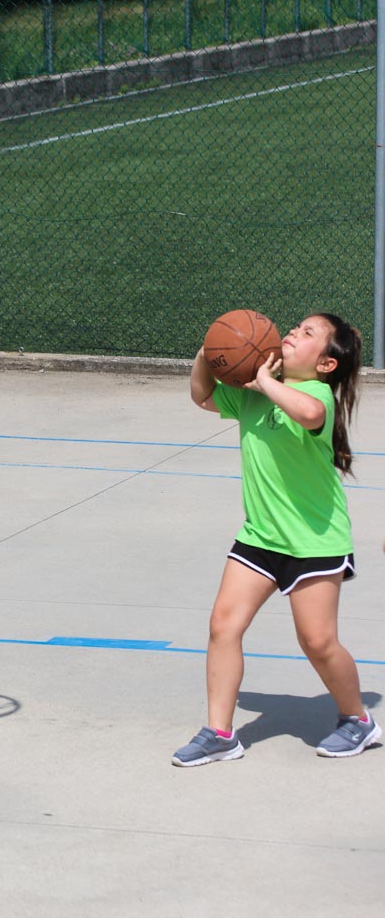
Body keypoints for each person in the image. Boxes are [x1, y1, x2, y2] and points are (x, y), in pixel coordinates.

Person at [172, 313, 382, 767]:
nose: (292, 333)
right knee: (223, 626)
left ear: (325, 364)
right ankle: (220, 733)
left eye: (307, 334)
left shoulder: (315, 395)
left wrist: (266, 382)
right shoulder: (253, 393)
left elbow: (309, 414)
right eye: (295, 327)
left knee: (317, 642)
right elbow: (202, 395)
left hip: (315, 542)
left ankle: (358, 720)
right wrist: (210, 351)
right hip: (260, 537)